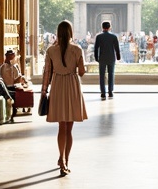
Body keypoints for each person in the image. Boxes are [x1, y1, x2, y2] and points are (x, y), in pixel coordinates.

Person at [43, 19, 87, 176]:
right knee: (69, 128)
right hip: (72, 85)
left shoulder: (50, 51)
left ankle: (61, 158)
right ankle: (65, 160)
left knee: (61, 126)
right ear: (71, 33)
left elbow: (47, 73)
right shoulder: (77, 49)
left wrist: (43, 91)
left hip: (58, 86)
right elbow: (81, 71)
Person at [93, 21, 121, 99]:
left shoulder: (99, 37)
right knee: (111, 74)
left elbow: (96, 48)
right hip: (111, 58)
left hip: (102, 58)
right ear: (110, 27)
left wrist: (96, 57)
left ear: (102, 27)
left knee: (102, 75)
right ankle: (110, 91)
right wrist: (118, 57)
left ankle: (103, 92)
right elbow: (117, 48)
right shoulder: (113, 37)